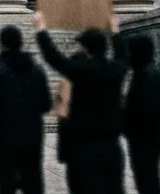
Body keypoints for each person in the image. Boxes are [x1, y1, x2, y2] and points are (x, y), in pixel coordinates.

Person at [35, 12, 129, 194]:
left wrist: (41, 29)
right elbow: (123, 56)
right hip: (111, 146)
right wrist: (115, 32)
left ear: (85, 49)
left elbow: (53, 57)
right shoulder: (116, 71)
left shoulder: (79, 71)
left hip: (83, 147)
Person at [0, 25, 51, 194]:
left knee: (6, 185)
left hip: (4, 139)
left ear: (1, 44)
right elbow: (45, 105)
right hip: (32, 137)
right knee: (33, 183)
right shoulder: (36, 70)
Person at [123, 33, 160, 194]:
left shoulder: (149, 76)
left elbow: (144, 110)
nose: (126, 55)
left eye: (129, 51)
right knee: (146, 179)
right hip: (143, 138)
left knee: (149, 180)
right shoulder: (142, 73)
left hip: (146, 138)